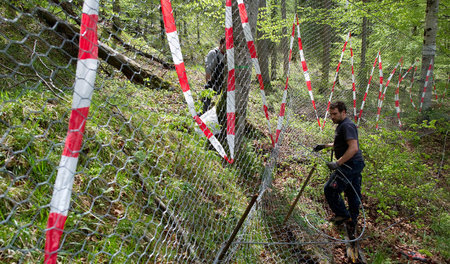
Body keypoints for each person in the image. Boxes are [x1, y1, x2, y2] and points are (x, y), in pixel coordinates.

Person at [313, 101, 365, 231]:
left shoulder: (347, 126)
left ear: (343, 112)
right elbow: (341, 143)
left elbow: (353, 148)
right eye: (331, 114)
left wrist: (338, 163)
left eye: (335, 114)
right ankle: (352, 220)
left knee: (330, 189)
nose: (332, 117)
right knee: (352, 192)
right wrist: (324, 146)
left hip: (350, 164)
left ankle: (342, 215)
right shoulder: (343, 125)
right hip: (355, 164)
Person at [202, 37, 225, 114]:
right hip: (214, 82)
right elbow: (208, 70)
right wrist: (209, 84)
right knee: (207, 92)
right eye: (225, 45)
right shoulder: (213, 53)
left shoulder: (229, 55)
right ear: (221, 44)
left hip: (225, 83)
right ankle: (204, 112)